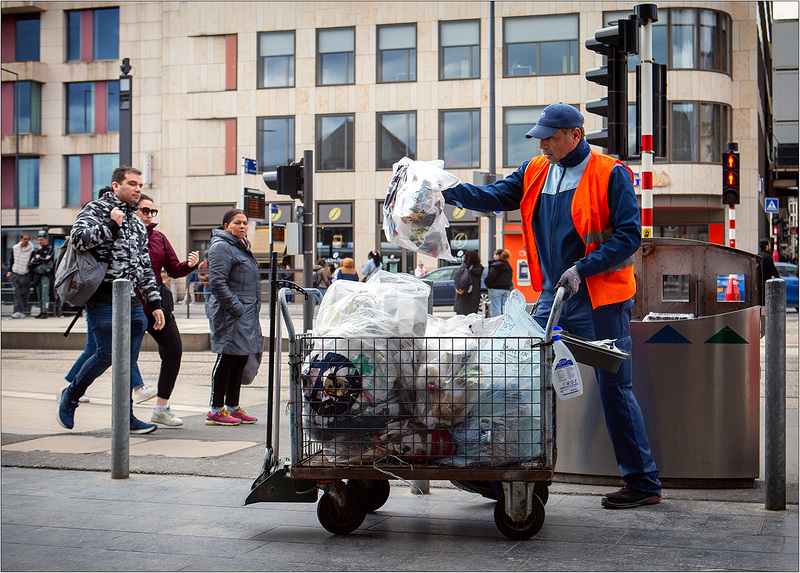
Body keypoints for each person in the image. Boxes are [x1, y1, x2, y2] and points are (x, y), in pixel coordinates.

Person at [443, 102, 661, 509]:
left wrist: (584, 267)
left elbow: (629, 236)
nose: (542, 143)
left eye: (551, 136)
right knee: (522, 380)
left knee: (615, 388)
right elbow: (492, 197)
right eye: (540, 137)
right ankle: (519, 474)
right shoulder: (535, 171)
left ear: (575, 134)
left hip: (600, 298)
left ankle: (643, 483)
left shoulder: (610, 173)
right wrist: (446, 187)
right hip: (553, 296)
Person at [57, 165, 164, 434]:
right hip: (102, 297)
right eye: (131, 183)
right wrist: (110, 225)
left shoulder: (138, 222)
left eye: (140, 184)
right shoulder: (95, 210)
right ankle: (70, 396)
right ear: (116, 186)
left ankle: (125, 418)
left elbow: (144, 266)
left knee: (127, 362)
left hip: (132, 300)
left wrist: (155, 303)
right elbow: (79, 241)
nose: (137, 189)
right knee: (105, 354)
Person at [133, 194, 199, 427]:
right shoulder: (124, 236)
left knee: (173, 351)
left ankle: (161, 408)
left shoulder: (159, 237)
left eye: (153, 211)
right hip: (132, 304)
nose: (150, 215)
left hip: (157, 305)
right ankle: (126, 412)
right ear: (132, 210)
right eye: (145, 210)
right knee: (127, 356)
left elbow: (171, 268)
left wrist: (188, 266)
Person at [205, 208, 261, 426]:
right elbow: (217, 283)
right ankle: (215, 409)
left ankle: (232, 407)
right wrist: (237, 308)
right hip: (230, 313)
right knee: (227, 358)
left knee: (240, 358)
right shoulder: (221, 247)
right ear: (226, 225)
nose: (242, 226)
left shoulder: (241, 246)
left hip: (244, 312)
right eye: (237, 223)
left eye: (245, 223)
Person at [6, 233, 34, 318]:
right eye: (25, 239)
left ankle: (22, 310)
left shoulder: (31, 250)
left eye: (28, 239)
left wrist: (28, 269)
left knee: (24, 293)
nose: (26, 241)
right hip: (15, 272)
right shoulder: (15, 248)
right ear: (21, 239)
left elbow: (32, 262)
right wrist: (9, 271)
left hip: (25, 274)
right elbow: (11, 260)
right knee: (16, 293)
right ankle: (18, 311)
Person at [29, 231, 55, 319]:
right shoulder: (38, 250)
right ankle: (41, 310)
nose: (40, 242)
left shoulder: (49, 248)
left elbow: (48, 260)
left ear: (45, 240)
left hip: (46, 274)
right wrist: (41, 260)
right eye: (38, 240)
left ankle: (45, 310)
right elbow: (32, 262)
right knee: (39, 293)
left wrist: (39, 258)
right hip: (38, 274)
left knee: (45, 293)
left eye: (41, 240)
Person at [453, 249, 483, 315]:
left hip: (463, 293)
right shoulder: (479, 268)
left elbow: (456, 279)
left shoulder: (464, 267)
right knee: (472, 315)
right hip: (474, 295)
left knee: (461, 316)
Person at [485, 248, 513, 317]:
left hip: (496, 289)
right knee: (505, 307)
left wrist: (488, 283)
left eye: (495, 254)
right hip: (506, 289)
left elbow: (491, 277)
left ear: (498, 256)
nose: (494, 256)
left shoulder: (495, 265)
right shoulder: (508, 265)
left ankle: (497, 323)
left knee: (496, 308)